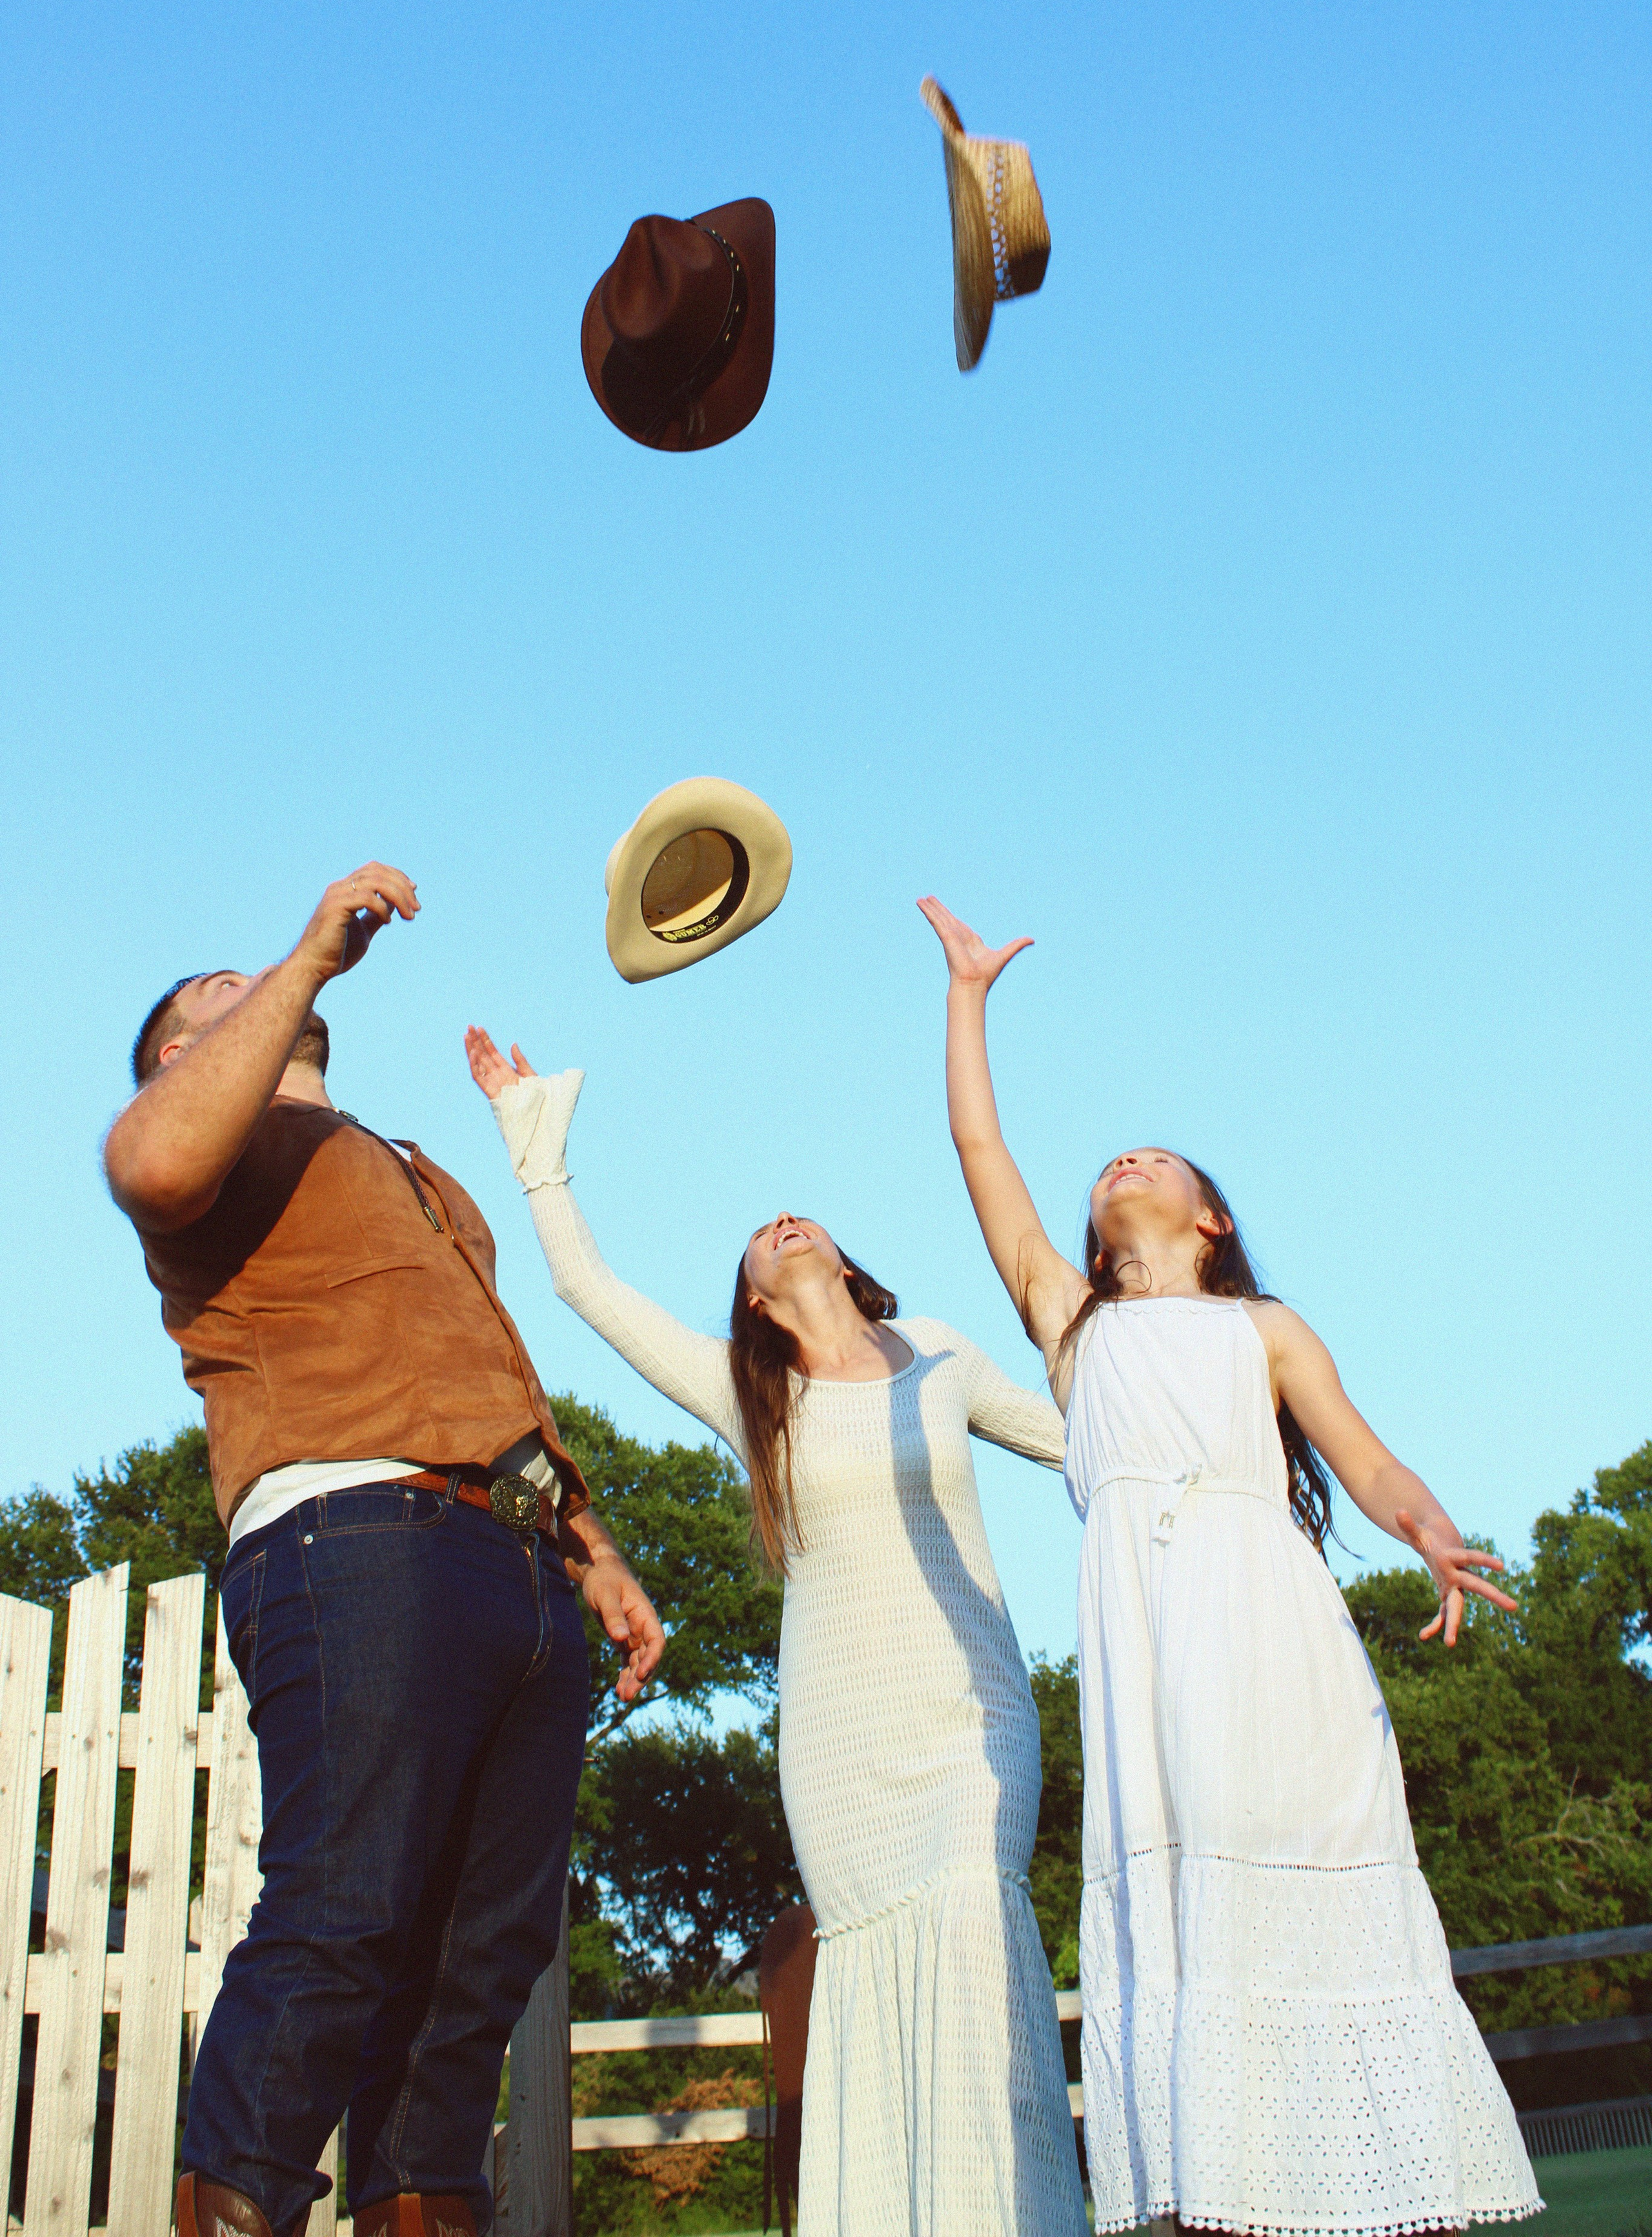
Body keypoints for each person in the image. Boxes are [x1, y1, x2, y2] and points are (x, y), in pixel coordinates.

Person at [917, 898, 1542, 2236]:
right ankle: (1220, 2197)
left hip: (1269, 1624)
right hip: (1145, 1646)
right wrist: (968, 995)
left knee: (1314, 1863)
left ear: (1206, 1219)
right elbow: (979, 1148)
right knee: (1183, 1895)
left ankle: (1398, 2191)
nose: (1122, 1164)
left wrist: (1423, 1529)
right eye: (1108, 1166)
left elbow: (1366, 1464)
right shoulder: (1066, 1321)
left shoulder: (1262, 1325)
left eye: (1155, 1160)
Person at [103, 867, 664, 2237]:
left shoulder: (417, 1173)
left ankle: (422, 2204)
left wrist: (591, 1545)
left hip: (515, 1562)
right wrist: (302, 957)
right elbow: (151, 1161)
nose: (249, 981)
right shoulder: (200, 1142)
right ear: (182, 1054)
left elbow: (493, 1376)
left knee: (484, 1957)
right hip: (353, 1535)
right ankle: (239, 2203)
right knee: (346, 1907)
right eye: (217, 992)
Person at [464, 1027, 1088, 2237]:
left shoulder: (946, 1357)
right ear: (756, 1293)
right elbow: (586, 1289)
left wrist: (1220, 1427)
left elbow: (1088, 1439)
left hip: (972, 1718)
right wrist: (534, 1143)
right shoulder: (750, 1398)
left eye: (804, 1216)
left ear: (853, 1266)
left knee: (972, 1924)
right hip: (844, 1747)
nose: (787, 1221)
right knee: (867, 1983)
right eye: (764, 1231)